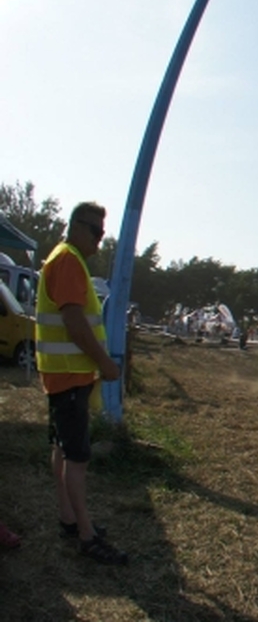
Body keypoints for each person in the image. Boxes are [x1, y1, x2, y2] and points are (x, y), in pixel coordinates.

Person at [36, 202, 129, 565]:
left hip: (61, 374)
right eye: (95, 231)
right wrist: (104, 363)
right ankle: (87, 537)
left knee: (61, 448)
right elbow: (75, 323)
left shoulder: (61, 258)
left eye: (102, 233)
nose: (99, 239)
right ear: (75, 226)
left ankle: (69, 519)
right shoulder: (69, 261)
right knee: (77, 456)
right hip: (71, 375)